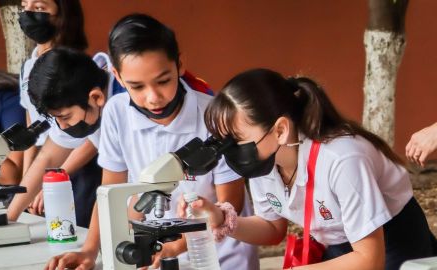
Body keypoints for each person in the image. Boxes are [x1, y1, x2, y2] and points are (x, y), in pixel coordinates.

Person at [45, 14, 259, 270]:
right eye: (136, 86)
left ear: (180, 64)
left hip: (221, 256)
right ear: (118, 77)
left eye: (163, 81)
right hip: (157, 254)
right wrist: (90, 251)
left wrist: (174, 248)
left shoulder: (214, 116)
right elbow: (109, 194)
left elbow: (229, 204)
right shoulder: (116, 113)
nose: (153, 97)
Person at [180, 68, 437, 270]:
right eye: (224, 141)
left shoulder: (341, 160)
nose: (230, 151)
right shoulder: (266, 159)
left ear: (280, 130)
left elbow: (369, 260)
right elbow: (272, 229)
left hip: (393, 243)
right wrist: (220, 218)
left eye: (237, 139)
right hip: (340, 245)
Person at [6, 47, 115, 228]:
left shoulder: (126, 101)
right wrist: (9, 217)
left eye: (65, 117)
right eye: (56, 119)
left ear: (96, 97)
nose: (62, 127)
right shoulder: (78, 101)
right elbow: (47, 157)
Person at [18, 0, 87, 173]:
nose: (27, 13)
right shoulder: (28, 65)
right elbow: (31, 120)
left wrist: (57, 175)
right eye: (24, 6)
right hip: (42, 160)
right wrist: (27, 174)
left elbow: (90, 133)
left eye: (39, 8)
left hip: (73, 160)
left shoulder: (76, 65)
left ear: (62, 15)